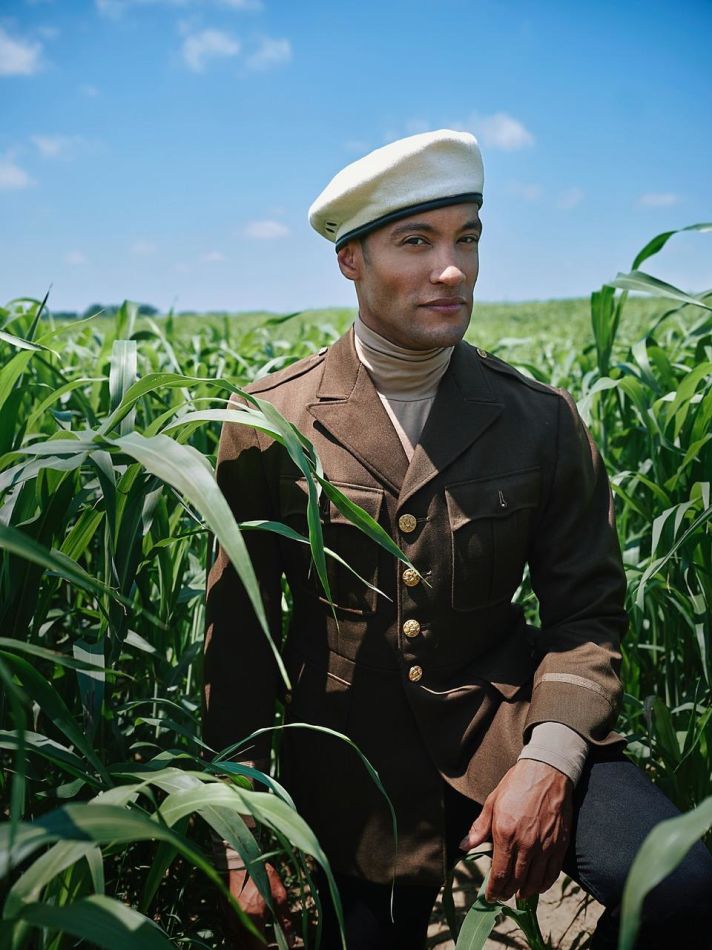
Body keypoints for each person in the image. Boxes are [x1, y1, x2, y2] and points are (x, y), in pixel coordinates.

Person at [202, 130, 712, 949]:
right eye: (417, 242)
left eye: (466, 239)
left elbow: (587, 617)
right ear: (350, 261)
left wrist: (549, 761)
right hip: (352, 767)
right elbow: (238, 647)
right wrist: (238, 833)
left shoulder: (540, 419)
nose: (453, 270)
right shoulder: (268, 423)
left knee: (682, 889)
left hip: (504, 721)